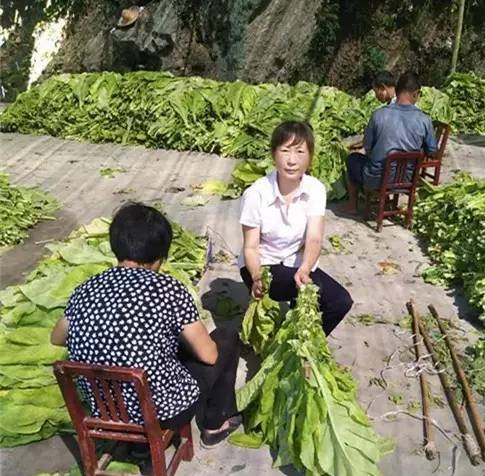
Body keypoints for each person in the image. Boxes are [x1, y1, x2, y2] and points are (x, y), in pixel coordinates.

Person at [51, 203, 241, 448]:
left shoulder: (87, 288)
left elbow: (56, 338)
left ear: (115, 246)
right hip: (160, 413)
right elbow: (209, 355)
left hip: (104, 410)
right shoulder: (168, 289)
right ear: (160, 255)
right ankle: (216, 424)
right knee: (226, 338)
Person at [239, 121, 353, 337]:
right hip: (264, 264)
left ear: (310, 158)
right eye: (285, 151)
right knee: (308, 289)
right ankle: (289, 341)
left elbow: (314, 239)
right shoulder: (256, 193)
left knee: (340, 302)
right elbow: (251, 248)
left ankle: (299, 344)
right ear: (274, 155)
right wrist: (256, 277)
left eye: (300, 152)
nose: (292, 160)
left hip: (298, 262)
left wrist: (305, 268)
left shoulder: (316, 189)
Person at [342, 72, 437, 215]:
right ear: (416, 94)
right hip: (408, 179)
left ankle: (352, 206)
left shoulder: (378, 115)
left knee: (352, 159)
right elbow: (432, 150)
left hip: (377, 179)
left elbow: (368, 146)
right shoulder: (425, 120)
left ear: (397, 90)